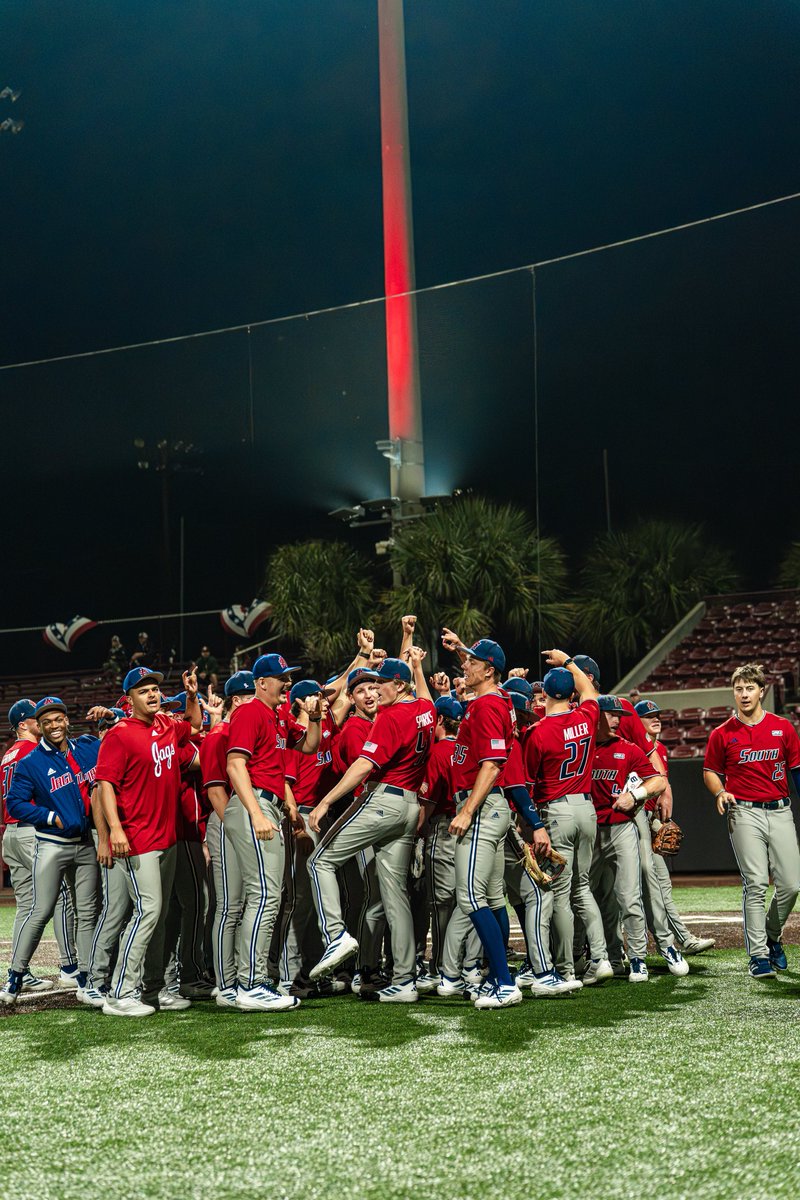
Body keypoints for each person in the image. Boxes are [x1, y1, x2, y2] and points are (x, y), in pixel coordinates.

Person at [307, 653, 435, 1003]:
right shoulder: (425, 708)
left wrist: (326, 801)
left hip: (383, 800)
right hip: (410, 806)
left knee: (319, 861)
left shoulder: (391, 716)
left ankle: (335, 935)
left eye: (381, 684)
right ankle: (404, 980)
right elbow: (425, 696)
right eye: (372, 685)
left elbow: (364, 765)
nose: (376, 691)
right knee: (395, 896)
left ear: (400, 685)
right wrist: (417, 666)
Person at [94, 665, 200, 1017]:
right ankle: (119, 992)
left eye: (154, 688)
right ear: (129, 699)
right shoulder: (119, 734)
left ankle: (153, 991)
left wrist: (191, 696)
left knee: (159, 914)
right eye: (143, 690)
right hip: (138, 837)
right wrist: (115, 830)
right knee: (148, 911)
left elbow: (194, 724)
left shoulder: (166, 724)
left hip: (167, 837)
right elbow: (105, 785)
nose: (152, 694)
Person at [225, 652, 321, 1013]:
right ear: (261, 683)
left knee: (268, 896)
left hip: (268, 805)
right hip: (255, 804)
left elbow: (309, 746)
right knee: (263, 895)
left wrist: (314, 718)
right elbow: (235, 765)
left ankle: (254, 980)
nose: (288, 683)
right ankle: (250, 984)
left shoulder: (277, 716)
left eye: (289, 677)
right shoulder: (250, 711)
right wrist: (255, 813)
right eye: (282, 678)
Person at [438, 631, 522, 1010]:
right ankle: (496, 977)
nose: (465, 666)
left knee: (470, 896)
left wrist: (468, 810)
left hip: (482, 807)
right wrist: (462, 647)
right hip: (492, 806)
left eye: (472, 662)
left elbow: (492, 764)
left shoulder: (487, 705)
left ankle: (503, 981)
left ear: (489, 670)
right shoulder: (495, 697)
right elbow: (477, 666)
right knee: (491, 897)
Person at [1, 696, 100, 1006]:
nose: (54, 726)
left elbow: (113, 746)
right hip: (51, 844)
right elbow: (15, 803)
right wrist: (48, 816)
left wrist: (111, 716)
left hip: (85, 844)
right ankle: (15, 976)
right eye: (46, 722)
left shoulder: (86, 748)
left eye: (58, 719)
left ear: (67, 720)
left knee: (87, 913)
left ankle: (86, 978)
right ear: (39, 726)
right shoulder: (30, 760)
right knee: (41, 909)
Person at [704, 662, 800, 979]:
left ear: (762, 691)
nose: (744, 694)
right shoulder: (722, 734)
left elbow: (797, 770)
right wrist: (720, 792)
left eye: (749, 688)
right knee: (756, 882)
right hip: (743, 812)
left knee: (792, 885)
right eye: (739, 689)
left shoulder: (783, 727)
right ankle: (758, 954)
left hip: (780, 810)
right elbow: (710, 771)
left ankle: (772, 935)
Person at [524, 652, 613, 985]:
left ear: (545, 693)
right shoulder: (585, 716)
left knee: (560, 895)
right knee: (582, 888)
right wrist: (568, 662)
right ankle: (600, 958)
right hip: (587, 809)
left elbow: (528, 786)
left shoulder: (538, 732)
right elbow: (590, 692)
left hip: (557, 811)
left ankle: (565, 968)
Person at [588, 696, 668, 982]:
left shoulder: (627, 748)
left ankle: (637, 958)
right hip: (589, 832)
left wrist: (635, 795)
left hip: (621, 828)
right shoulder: (583, 746)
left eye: (619, 715)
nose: (617, 720)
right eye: (610, 714)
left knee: (629, 897)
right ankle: (599, 957)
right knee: (585, 898)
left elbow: (658, 780)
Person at [635, 699, 715, 955]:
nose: (655, 719)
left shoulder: (660, 748)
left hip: (648, 821)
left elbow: (660, 789)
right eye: (649, 716)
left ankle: (680, 940)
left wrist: (659, 822)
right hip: (632, 822)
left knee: (660, 884)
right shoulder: (633, 747)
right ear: (636, 722)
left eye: (657, 715)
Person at [200, 670, 255, 1008]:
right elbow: (216, 792)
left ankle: (243, 977)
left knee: (246, 903)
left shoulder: (243, 730)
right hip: (225, 823)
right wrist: (236, 828)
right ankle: (225, 983)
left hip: (243, 821)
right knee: (229, 905)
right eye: (250, 697)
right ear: (237, 700)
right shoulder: (218, 735)